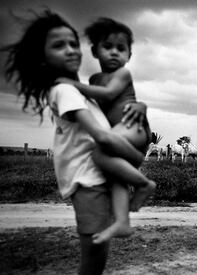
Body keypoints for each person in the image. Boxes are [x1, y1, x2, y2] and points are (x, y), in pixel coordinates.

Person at [3, 10, 149, 274]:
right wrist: (138, 161)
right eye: (59, 45)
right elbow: (102, 136)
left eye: (72, 43)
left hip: (98, 176)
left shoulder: (79, 88)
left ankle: (124, 219)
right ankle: (141, 190)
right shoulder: (66, 89)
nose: (70, 50)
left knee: (98, 254)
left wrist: (140, 105)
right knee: (93, 257)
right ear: (42, 59)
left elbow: (113, 104)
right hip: (87, 179)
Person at [57, 17, 156, 245]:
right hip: (122, 133)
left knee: (99, 153)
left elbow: (109, 94)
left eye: (121, 49)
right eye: (108, 47)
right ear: (94, 51)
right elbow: (92, 105)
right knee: (115, 177)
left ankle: (143, 184)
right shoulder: (94, 79)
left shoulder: (122, 74)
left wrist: (73, 85)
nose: (114, 53)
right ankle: (123, 222)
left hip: (134, 128)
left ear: (129, 55)